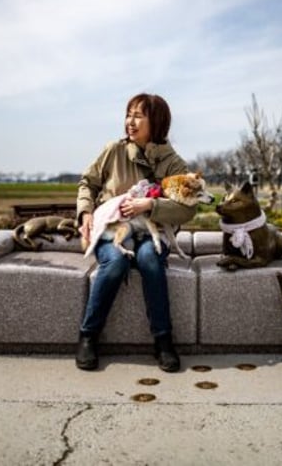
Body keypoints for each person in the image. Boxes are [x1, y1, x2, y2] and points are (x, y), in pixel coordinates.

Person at [75, 93, 196, 372]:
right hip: (112, 228)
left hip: (152, 231)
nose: (130, 121)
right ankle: (88, 337)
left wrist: (151, 204)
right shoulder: (113, 151)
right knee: (115, 262)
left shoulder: (173, 164)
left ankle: (163, 341)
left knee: (150, 259)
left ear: (157, 121)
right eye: (128, 114)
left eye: (138, 115)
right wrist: (85, 212)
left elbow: (189, 209)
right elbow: (87, 183)